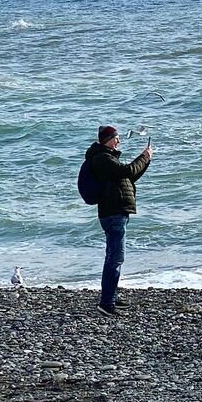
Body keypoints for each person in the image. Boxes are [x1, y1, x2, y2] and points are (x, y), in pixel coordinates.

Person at [85, 125, 152, 317]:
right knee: (115, 258)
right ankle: (106, 303)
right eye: (116, 138)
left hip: (116, 212)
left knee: (113, 257)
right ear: (108, 140)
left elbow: (130, 176)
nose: (119, 141)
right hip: (113, 212)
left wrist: (146, 161)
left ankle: (111, 297)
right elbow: (128, 171)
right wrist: (144, 156)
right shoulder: (103, 158)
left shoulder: (108, 159)